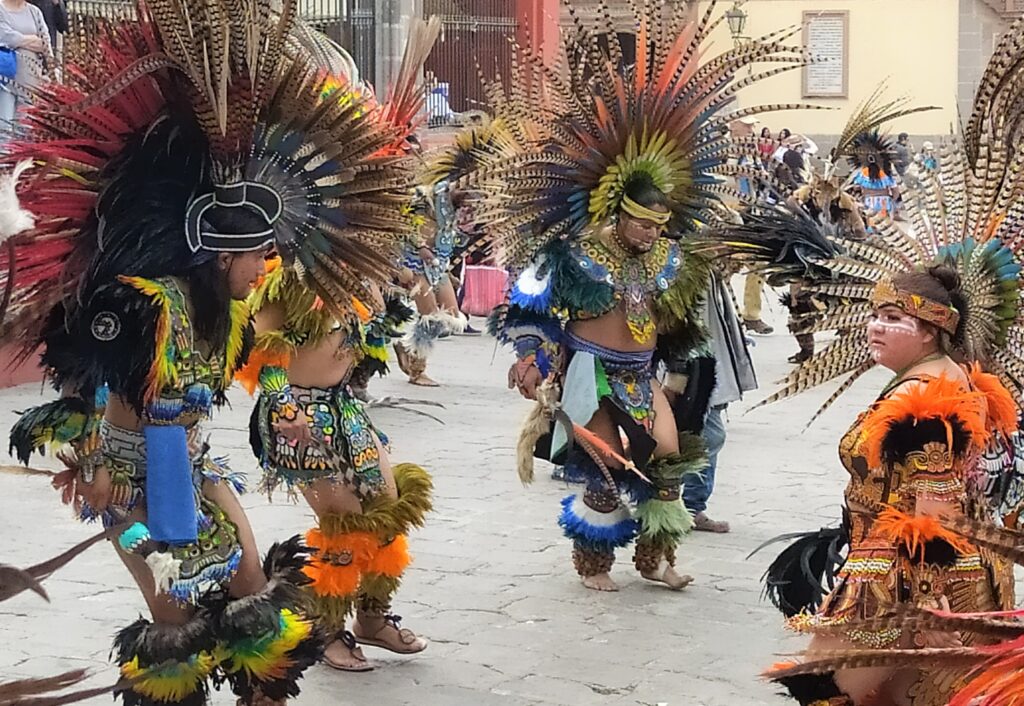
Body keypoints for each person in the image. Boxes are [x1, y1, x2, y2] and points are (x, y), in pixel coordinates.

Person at [0, 2, 451, 702]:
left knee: (256, 611)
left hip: (198, 467)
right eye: (258, 250)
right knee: (177, 627)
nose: (269, 261)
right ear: (217, 251)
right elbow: (86, 372)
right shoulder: (144, 304)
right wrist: (89, 462)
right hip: (130, 483)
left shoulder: (230, 306)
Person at [471, 4, 809, 593]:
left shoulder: (669, 259)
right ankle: (594, 562)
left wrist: (684, 372)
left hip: (641, 373)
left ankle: (656, 558)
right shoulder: (573, 254)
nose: (651, 233)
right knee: (604, 465)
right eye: (642, 224)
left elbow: (678, 325)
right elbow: (526, 303)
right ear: (617, 213)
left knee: (669, 463)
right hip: (590, 373)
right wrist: (530, 355)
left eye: (659, 225)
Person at [238, 24, 441, 670]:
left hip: (344, 408)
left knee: (387, 503)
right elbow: (261, 346)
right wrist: (284, 408)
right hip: (295, 408)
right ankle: (324, 631)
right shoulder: (278, 258)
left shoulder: (350, 253)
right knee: (346, 522)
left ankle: (373, 618)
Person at [680, 270, 757, 533]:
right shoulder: (683, 265)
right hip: (688, 368)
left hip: (709, 366)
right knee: (709, 435)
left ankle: (690, 505)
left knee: (707, 436)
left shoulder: (710, 272)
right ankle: (683, 505)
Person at [0, 0, 50, 126]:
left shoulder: (34, 11)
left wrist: (19, 41)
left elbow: (45, 43)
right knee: (4, 128)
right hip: (5, 81)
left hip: (31, 83)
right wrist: (31, 39)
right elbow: (5, 36)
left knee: (26, 130)